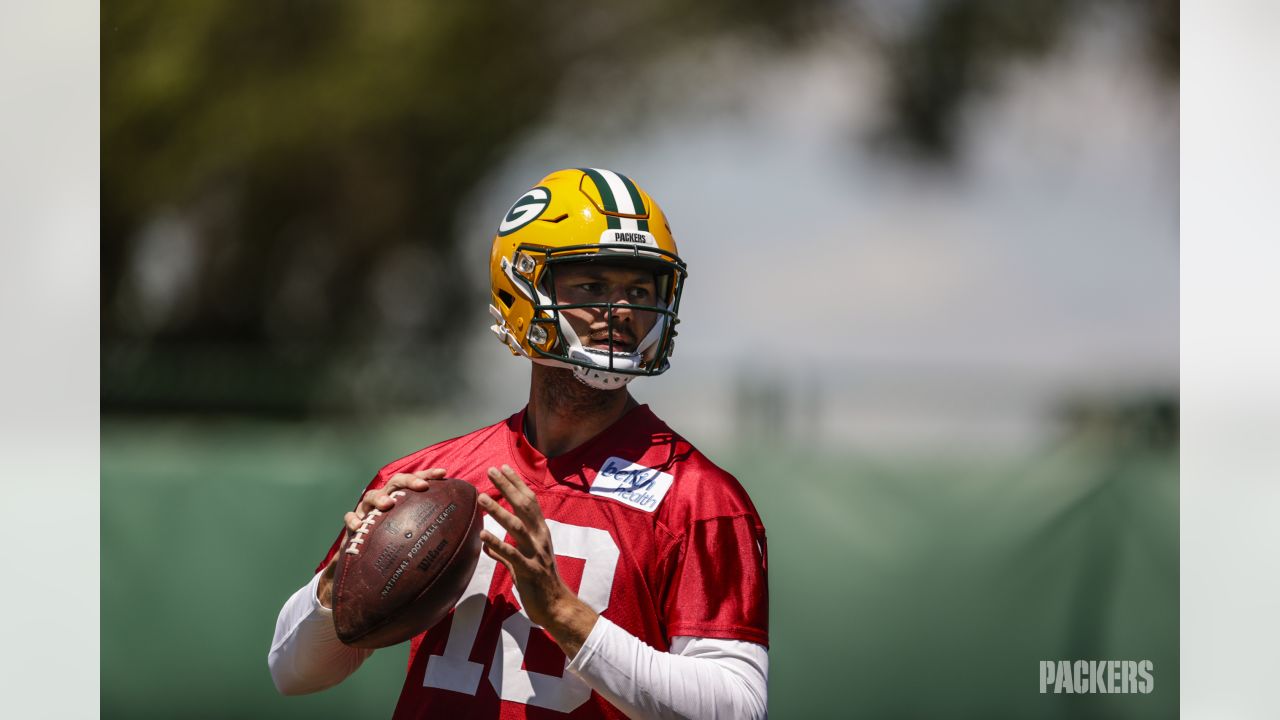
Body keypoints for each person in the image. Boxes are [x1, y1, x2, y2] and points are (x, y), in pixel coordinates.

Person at [269, 168, 770, 719]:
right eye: (594, 287)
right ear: (522, 291)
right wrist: (344, 574)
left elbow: (737, 708)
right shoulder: (429, 477)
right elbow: (293, 671)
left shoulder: (701, 501)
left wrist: (561, 612)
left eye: (639, 290)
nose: (622, 311)